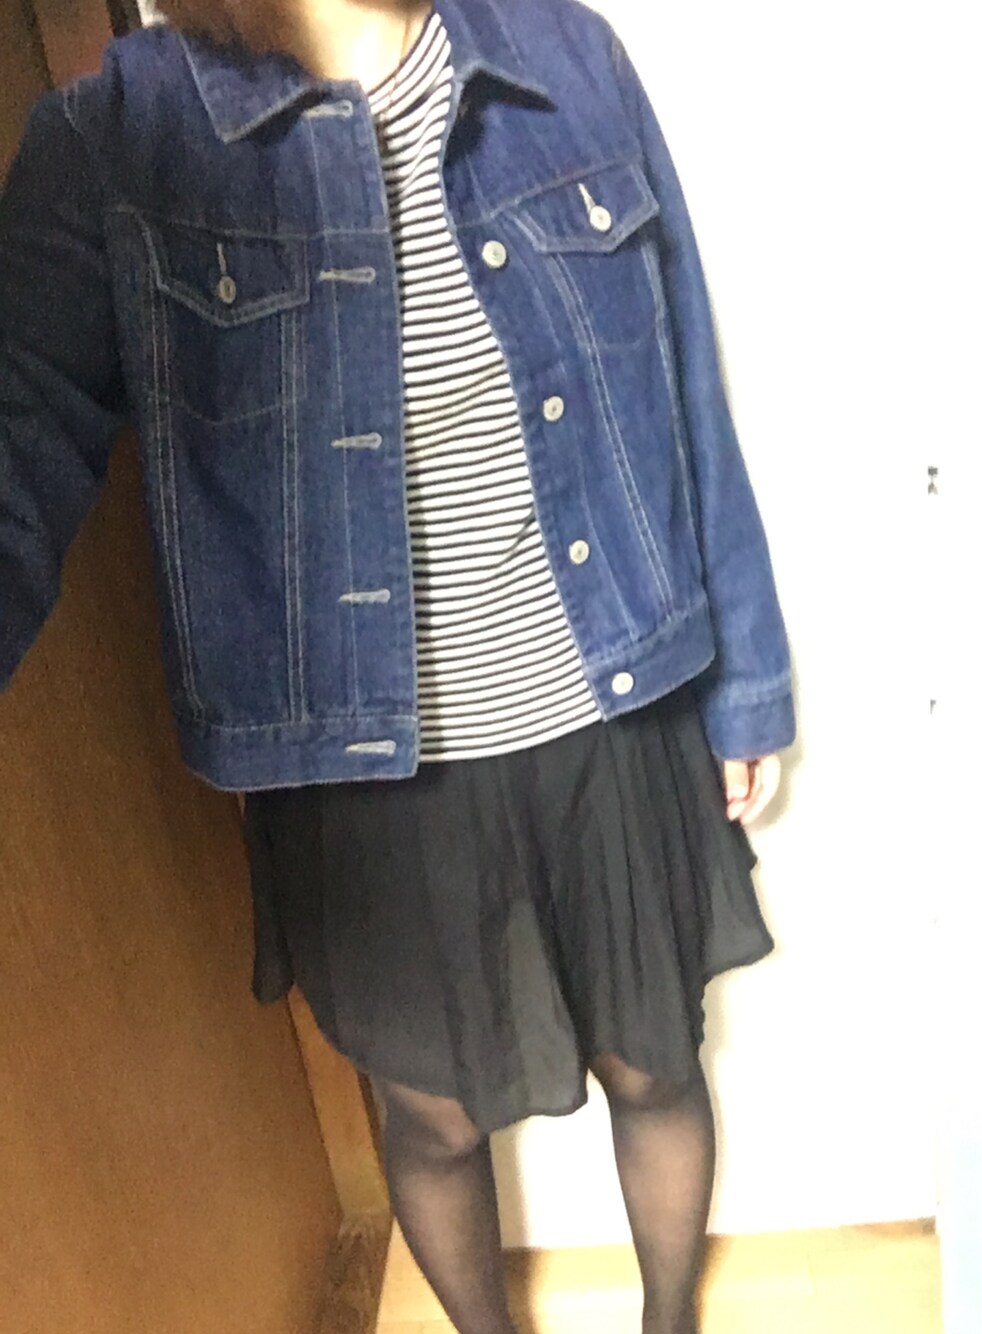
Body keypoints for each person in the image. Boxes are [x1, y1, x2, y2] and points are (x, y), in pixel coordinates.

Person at [0, 0, 795, 1329]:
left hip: (610, 708)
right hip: (364, 782)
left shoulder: (565, 58)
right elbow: (16, 433)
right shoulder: (121, 143)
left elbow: (683, 377)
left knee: (655, 1062)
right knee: (430, 1121)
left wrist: (745, 679)